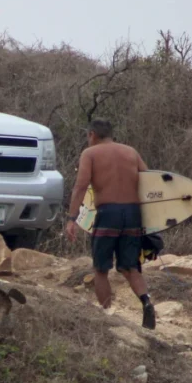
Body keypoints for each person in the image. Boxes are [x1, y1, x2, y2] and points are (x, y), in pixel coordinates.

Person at [65, 118, 156, 329]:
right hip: (133, 213)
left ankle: (106, 316)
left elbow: (81, 186)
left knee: (101, 268)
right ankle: (147, 302)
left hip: (108, 213)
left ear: (92, 135)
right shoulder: (131, 152)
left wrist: (72, 219)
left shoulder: (90, 153)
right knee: (130, 267)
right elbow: (150, 181)